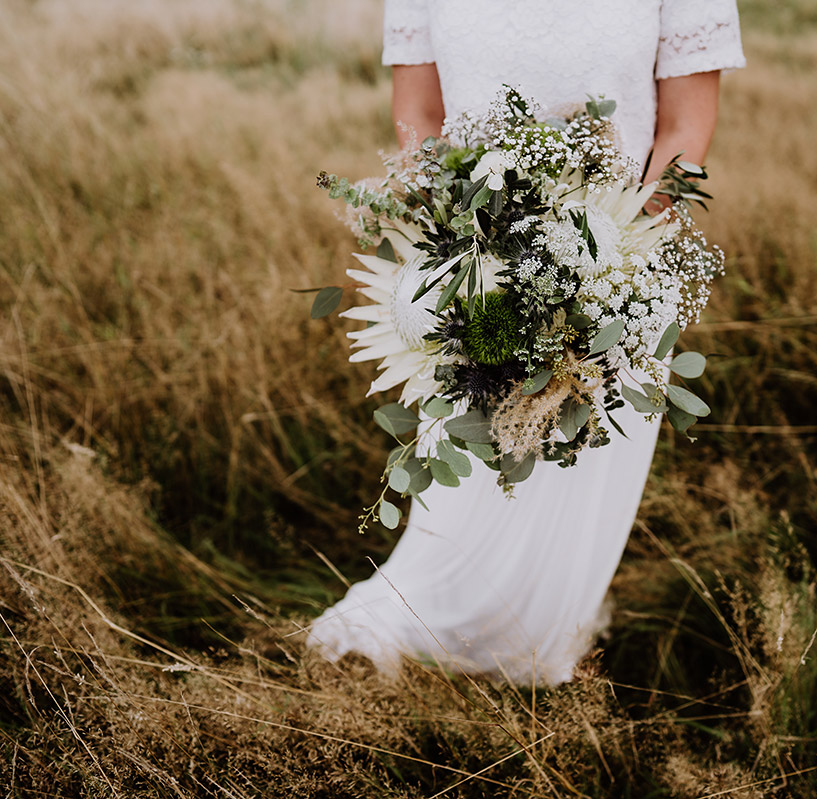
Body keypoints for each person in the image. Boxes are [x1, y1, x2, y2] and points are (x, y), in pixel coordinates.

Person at [307, 0, 745, 685]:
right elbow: (419, 119)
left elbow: (685, 126)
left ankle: (545, 641)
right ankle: (437, 631)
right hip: (473, 268)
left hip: (620, 272)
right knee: (471, 470)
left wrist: (613, 251)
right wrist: (454, 244)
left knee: (583, 473)